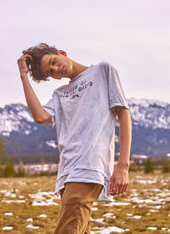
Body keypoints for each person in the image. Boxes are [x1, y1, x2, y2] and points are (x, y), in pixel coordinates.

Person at [17, 43, 132, 234]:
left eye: (53, 62)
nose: (55, 70)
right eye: (50, 72)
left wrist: (123, 165)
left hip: (89, 166)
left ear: (61, 53)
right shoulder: (60, 94)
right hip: (67, 173)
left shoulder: (103, 71)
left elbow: (124, 115)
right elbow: (40, 117)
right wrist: (23, 76)